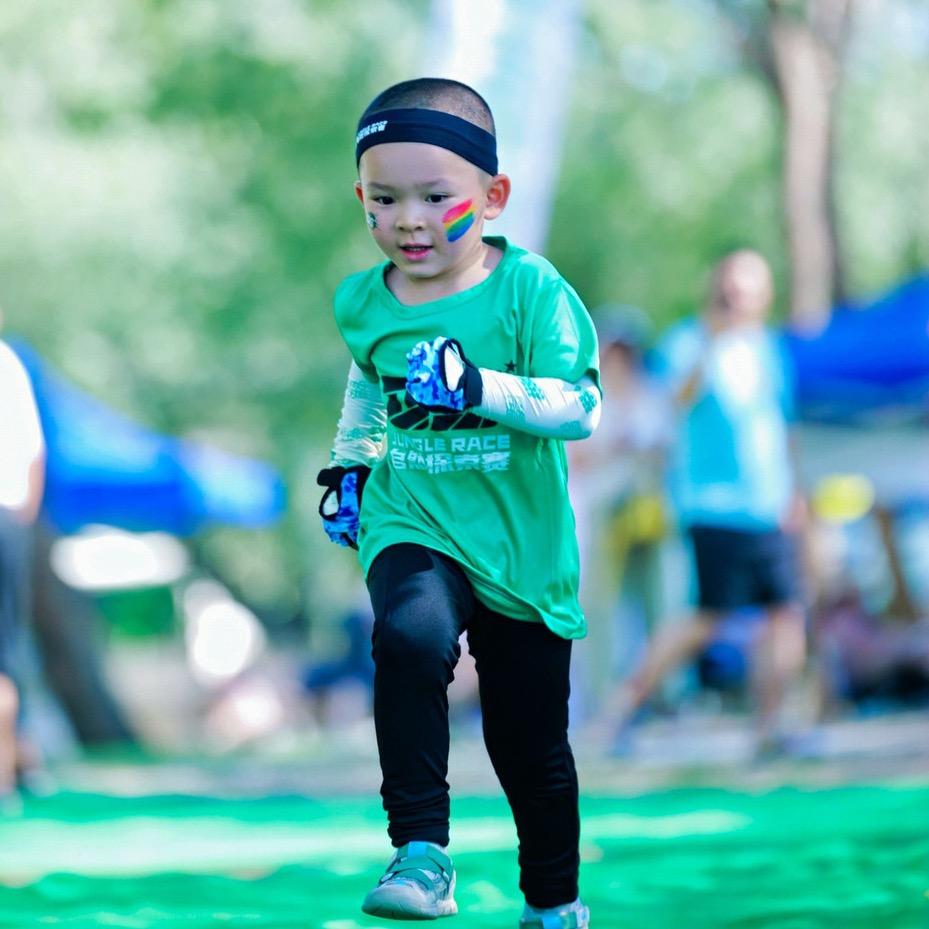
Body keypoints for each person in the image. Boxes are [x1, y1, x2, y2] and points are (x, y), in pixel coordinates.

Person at [316, 78, 600, 927]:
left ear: (491, 195)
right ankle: (421, 851)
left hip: (521, 546)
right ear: (361, 199)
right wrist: (347, 469)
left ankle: (552, 904)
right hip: (413, 516)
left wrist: (476, 386)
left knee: (528, 744)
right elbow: (368, 388)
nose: (408, 219)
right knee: (408, 636)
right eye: (384, 198)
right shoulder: (363, 300)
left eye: (434, 196)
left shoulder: (530, 290)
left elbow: (579, 406)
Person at [602, 250, 807, 755]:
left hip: (769, 504)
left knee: (784, 616)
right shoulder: (688, 341)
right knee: (708, 617)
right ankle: (623, 705)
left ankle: (770, 727)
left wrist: (796, 491)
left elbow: (782, 426)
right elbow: (674, 402)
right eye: (731, 289)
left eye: (750, 289)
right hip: (714, 506)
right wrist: (713, 341)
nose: (739, 299)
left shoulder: (769, 350)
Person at [0, 316, 46, 797]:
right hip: (11, 516)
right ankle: (19, 765)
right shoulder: (11, 363)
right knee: (10, 648)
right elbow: (36, 454)